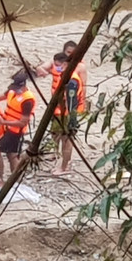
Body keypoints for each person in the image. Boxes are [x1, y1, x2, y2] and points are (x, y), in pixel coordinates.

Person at [36, 43, 87, 174]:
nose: (56, 69)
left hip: (69, 112)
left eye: (59, 67)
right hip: (58, 109)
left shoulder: (72, 81)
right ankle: (56, 154)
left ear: (65, 65)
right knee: (55, 133)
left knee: (67, 138)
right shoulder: (63, 73)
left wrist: (71, 120)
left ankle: (64, 166)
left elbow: (72, 101)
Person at [0, 70, 36, 190]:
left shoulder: (27, 100)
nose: (14, 90)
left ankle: (0, 179)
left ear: (24, 85)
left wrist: (3, 122)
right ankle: (16, 181)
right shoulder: (12, 91)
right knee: (12, 155)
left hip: (16, 132)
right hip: (8, 128)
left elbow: (23, 122)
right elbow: (0, 97)